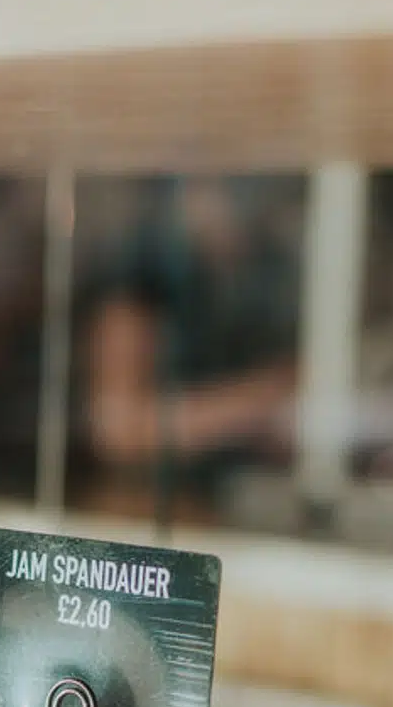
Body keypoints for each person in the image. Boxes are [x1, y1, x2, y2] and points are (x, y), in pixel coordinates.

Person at [84, 175, 303, 505]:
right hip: (148, 502)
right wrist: (264, 397)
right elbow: (118, 429)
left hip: (234, 497)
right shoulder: (140, 283)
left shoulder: (253, 277)